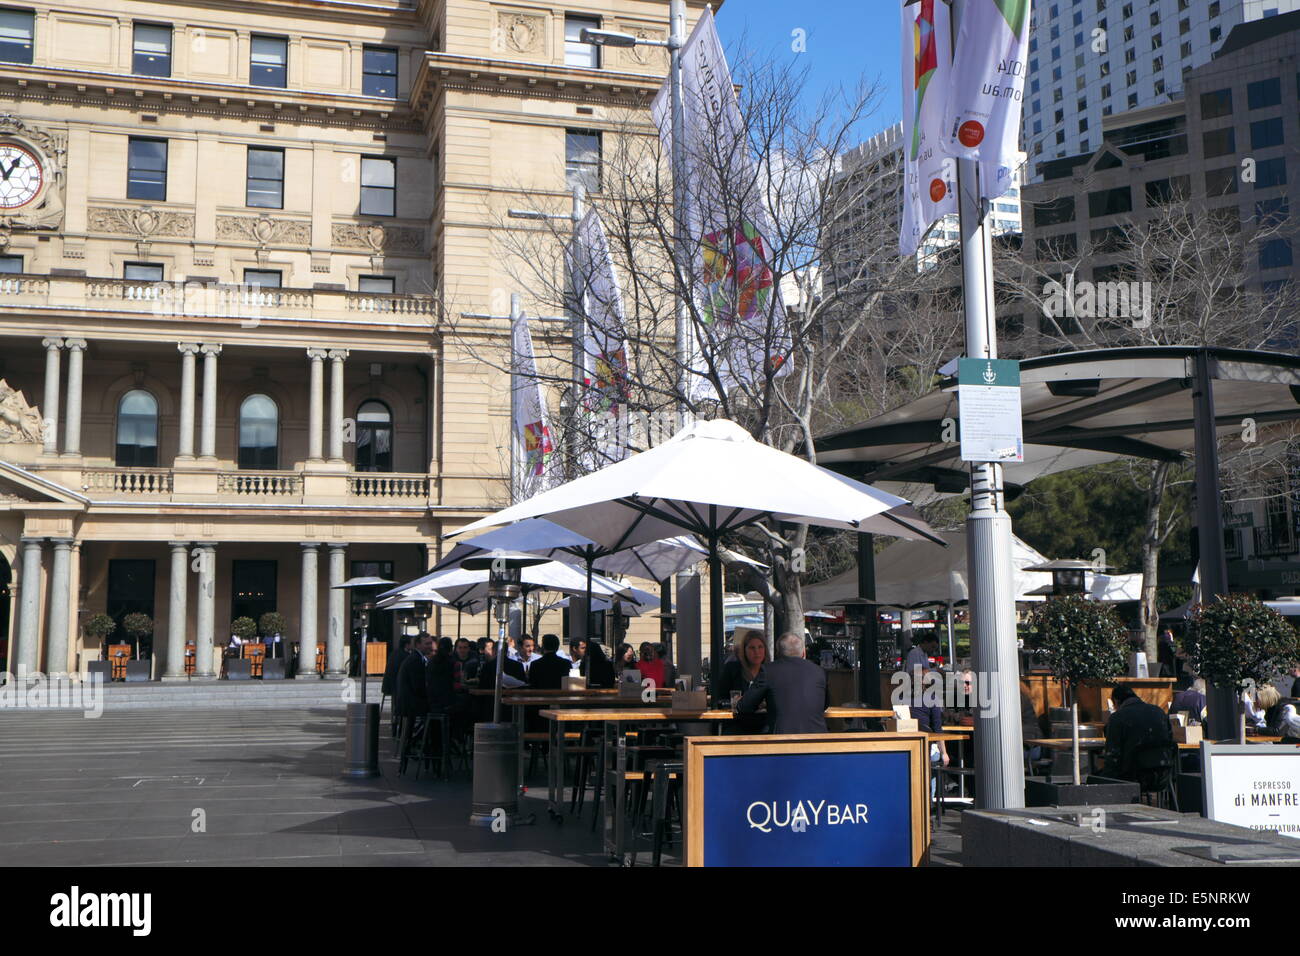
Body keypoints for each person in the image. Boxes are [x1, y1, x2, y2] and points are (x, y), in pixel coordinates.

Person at [737, 633, 829, 734]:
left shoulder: (768, 670)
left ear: (778, 653)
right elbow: (825, 704)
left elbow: (745, 706)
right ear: (803, 653)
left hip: (780, 740)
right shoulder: (819, 671)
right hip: (816, 739)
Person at [1102, 685, 1175, 784]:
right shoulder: (1159, 712)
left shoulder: (1118, 717)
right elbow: (1170, 739)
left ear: (1116, 701)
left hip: (1132, 775)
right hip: (1163, 774)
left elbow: (1112, 753)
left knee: (1097, 778)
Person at [718, 632, 768, 735]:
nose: (757, 652)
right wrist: (734, 702)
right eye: (752, 648)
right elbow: (720, 699)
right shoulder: (732, 669)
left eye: (760, 647)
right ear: (744, 651)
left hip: (764, 724)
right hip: (737, 722)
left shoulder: (770, 671)